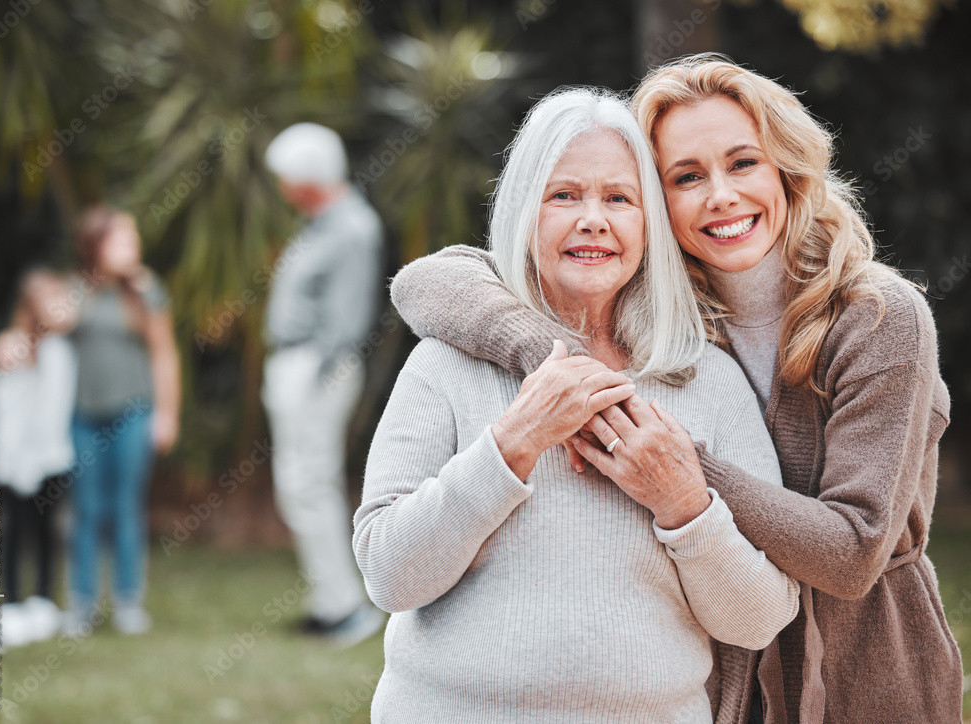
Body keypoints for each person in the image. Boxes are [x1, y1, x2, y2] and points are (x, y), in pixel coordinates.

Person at [388, 56, 964, 723]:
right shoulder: (669, 317)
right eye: (686, 177)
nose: (720, 195)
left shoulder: (877, 317)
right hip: (727, 675)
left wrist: (676, 464)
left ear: (787, 167)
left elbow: (853, 550)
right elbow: (427, 281)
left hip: (863, 668)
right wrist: (561, 366)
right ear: (654, 200)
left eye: (743, 163)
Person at [355, 87, 800, 723]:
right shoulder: (445, 362)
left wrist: (682, 503)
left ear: (649, 225)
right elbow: (389, 576)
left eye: (619, 198)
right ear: (523, 212)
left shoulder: (709, 379)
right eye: (565, 195)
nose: (594, 219)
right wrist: (513, 444)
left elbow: (759, 621)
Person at [262, 123, 385, 645]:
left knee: (310, 483)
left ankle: (344, 609)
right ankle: (327, 601)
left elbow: (348, 318)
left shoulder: (352, 227)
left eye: (286, 176)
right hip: (297, 364)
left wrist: (312, 377)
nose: (282, 186)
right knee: (302, 486)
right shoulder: (317, 224)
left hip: (317, 368)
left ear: (306, 178)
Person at [65, 206, 180, 636]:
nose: (133, 247)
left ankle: (128, 600)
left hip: (134, 412)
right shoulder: (75, 291)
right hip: (82, 415)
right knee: (85, 509)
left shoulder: (147, 293)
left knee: (126, 507)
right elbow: (45, 325)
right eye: (122, 239)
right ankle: (81, 602)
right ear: (96, 245)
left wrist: (167, 414)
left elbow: (164, 356)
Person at [0, 269, 75, 650]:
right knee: (12, 531)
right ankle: (12, 602)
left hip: (51, 457)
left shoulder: (62, 350)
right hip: (16, 460)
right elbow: (5, 405)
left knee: (48, 530)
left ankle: (43, 600)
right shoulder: (12, 345)